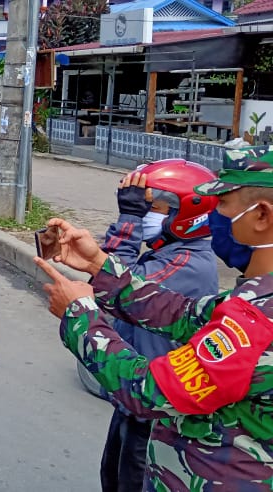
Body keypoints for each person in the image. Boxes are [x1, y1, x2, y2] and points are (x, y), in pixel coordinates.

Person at [35, 150, 273, 491]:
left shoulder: (257, 320)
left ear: (261, 215)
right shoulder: (252, 298)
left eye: (223, 204)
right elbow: (182, 312)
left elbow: (151, 391)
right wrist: (99, 264)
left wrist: (79, 318)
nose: (215, 215)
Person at [96, 161, 219, 492]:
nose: (147, 213)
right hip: (134, 396)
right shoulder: (166, 253)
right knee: (113, 477)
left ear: (187, 216)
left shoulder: (188, 264)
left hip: (155, 411)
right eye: (144, 206)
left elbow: (116, 286)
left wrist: (129, 221)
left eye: (155, 207)